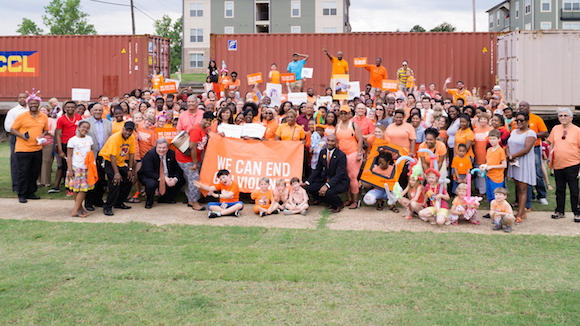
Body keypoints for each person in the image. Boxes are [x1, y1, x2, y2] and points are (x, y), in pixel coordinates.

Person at [10, 91, 49, 203]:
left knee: (34, 172)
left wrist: (43, 134)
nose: (33, 105)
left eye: (35, 103)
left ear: (38, 104)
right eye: (31, 104)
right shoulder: (22, 116)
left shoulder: (43, 116)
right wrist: (22, 136)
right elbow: (13, 129)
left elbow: (46, 129)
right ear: (28, 104)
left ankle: (31, 192)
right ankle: (21, 194)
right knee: (23, 172)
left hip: (37, 149)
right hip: (23, 149)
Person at [177, 110, 213, 211]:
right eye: (206, 120)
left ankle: (191, 200)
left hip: (194, 157)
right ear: (202, 119)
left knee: (195, 179)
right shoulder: (196, 129)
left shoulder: (205, 129)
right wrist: (195, 164)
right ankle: (195, 203)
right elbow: (192, 148)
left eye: (210, 121)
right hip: (185, 158)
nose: (208, 122)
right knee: (195, 179)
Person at [548, 107, 580, 221]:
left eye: (565, 115)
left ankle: (576, 212)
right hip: (558, 165)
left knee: (574, 191)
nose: (563, 118)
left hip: (573, 165)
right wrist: (550, 163)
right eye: (561, 115)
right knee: (559, 190)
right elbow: (551, 146)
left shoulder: (577, 130)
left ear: (571, 117)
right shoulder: (555, 129)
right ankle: (560, 211)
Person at [303, 134, 349, 213]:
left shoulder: (341, 155)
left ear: (336, 143)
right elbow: (318, 170)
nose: (330, 143)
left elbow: (339, 174)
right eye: (328, 140)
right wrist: (307, 182)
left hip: (340, 181)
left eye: (332, 141)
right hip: (326, 179)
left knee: (328, 192)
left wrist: (327, 185)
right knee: (310, 188)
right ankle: (328, 201)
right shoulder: (323, 152)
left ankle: (339, 204)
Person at [98, 121, 136, 216]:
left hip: (120, 162)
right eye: (126, 130)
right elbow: (112, 157)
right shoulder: (115, 138)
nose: (128, 132)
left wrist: (130, 170)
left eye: (130, 131)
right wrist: (117, 173)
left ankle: (118, 203)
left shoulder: (132, 138)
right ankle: (108, 207)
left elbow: (131, 154)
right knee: (115, 181)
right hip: (107, 160)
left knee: (128, 180)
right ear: (123, 128)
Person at [506, 111, 537, 224]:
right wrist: (509, 155)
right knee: (518, 187)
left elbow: (526, 149)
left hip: (523, 163)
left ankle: (519, 215)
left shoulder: (531, 133)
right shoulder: (514, 131)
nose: (518, 122)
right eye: (517, 120)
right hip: (513, 162)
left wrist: (511, 156)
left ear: (527, 121)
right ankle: (521, 211)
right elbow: (508, 145)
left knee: (523, 189)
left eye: (521, 120)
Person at [517, 101, 549, 206]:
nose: (521, 107)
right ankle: (530, 196)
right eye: (520, 106)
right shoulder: (516, 121)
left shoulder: (536, 118)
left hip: (534, 149)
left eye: (524, 106)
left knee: (537, 173)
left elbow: (545, 132)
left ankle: (542, 195)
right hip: (521, 150)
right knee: (523, 174)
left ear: (529, 108)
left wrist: (531, 135)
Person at [137, 138, 185, 209]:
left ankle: (166, 199)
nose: (161, 150)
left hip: (167, 175)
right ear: (156, 147)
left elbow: (178, 169)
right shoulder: (150, 154)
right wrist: (164, 178)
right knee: (151, 184)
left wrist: (175, 179)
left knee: (181, 180)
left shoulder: (172, 154)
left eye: (164, 148)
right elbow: (148, 172)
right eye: (159, 147)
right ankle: (149, 202)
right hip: (150, 176)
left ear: (168, 148)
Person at [82, 104, 113, 211]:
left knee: (101, 179)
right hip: (90, 155)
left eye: (100, 110)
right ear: (91, 111)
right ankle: (89, 202)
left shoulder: (108, 123)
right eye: (96, 110)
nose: (98, 112)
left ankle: (98, 200)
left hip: (104, 155)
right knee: (91, 178)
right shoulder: (86, 122)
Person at [51, 100, 83, 195]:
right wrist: (60, 149)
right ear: (65, 108)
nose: (70, 109)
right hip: (65, 144)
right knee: (66, 167)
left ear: (75, 108)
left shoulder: (79, 117)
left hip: (77, 145)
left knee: (76, 166)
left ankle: (76, 185)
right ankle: (68, 187)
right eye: (68, 107)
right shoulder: (61, 119)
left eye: (72, 107)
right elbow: (58, 135)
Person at [336, 106, 364, 209]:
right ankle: (349, 199)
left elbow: (360, 139)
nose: (343, 115)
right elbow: (337, 141)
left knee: (352, 177)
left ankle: (356, 200)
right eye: (341, 113)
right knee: (344, 177)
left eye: (345, 113)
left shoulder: (353, 125)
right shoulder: (337, 126)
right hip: (341, 155)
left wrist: (359, 154)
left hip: (353, 154)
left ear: (349, 114)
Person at [65, 121, 95, 217]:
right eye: (83, 127)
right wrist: (70, 170)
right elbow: (69, 156)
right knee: (76, 189)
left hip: (86, 168)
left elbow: (89, 153)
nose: (85, 129)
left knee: (83, 189)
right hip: (76, 167)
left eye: (87, 128)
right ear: (78, 127)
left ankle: (78, 209)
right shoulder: (72, 140)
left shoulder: (89, 139)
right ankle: (76, 210)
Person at [4, 93, 28, 192]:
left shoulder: (31, 110)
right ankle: (17, 185)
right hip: (16, 137)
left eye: (24, 97)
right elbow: (8, 127)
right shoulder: (13, 111)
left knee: (30, 161)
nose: (22, 99)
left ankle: (29, 184)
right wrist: (21, 134)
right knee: (16, 162)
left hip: (31, 138)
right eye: (20, 97)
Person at [473, 112, 493, 196]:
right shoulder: (475, 130)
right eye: (481, 119)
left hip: (488, 155)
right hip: (477, 154)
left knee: (488, 174)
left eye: (485, 119)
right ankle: (482, 191)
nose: (483, 121)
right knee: (479, 174)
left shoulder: (491, 130)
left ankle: (490, 192)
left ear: (488, 120)